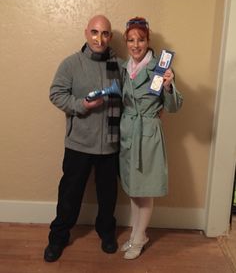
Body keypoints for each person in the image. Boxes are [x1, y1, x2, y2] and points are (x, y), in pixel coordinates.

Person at [44, 15, 123, 262]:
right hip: (78, 144)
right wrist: (82, 105)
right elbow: (56, 94)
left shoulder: (119, 65)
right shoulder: (71, 64)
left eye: (106, 33)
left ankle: (106, 232)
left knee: (108, 195)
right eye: (95, 32)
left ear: (110, 37)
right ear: (86, 33)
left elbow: (134, 93)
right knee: (70, 194)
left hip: (110, 145)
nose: (100, 38)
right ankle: (58, 237)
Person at [119, 17, 183, 260]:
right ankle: (138, 234)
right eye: (131, 40)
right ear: (126, 42)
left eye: (141, 39)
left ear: (148, 40)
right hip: (129, 132)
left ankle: (139, 237)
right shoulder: (125, 67)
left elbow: (174, 107)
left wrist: (169, 86)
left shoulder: (159, 68)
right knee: (134, 189)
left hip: (147, 135)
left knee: (145, 189)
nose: (136, 45)